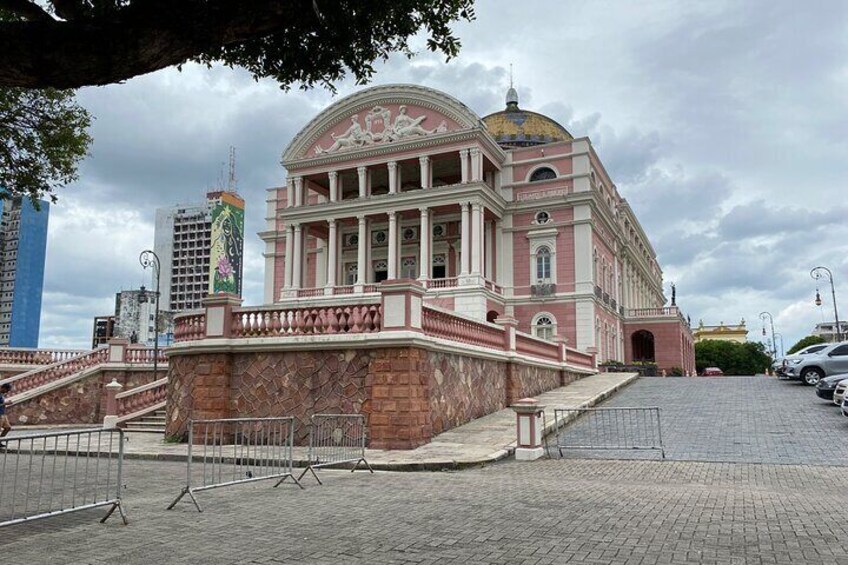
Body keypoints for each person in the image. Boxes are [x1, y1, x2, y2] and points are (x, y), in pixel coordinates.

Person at [0, 383, 11, 450]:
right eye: (7, 390)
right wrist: (5, 403)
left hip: (3, 414)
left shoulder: (2, 395)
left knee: (8, 428)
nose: (7, 392)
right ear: (3, 388)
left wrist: (6, 403)